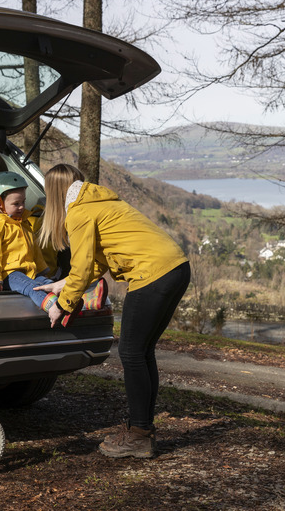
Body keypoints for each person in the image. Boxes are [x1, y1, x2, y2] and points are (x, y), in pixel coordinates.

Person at [34, 164, 190, 459]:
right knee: (142, 352)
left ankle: (139, 434)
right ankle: (140, 428)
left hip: (152, 274)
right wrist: (62, 286)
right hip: (175, 267)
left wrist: (63, 305)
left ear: (52, 193)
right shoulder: (98, 201)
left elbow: (81, 268)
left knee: (132, 353)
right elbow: (95, 264)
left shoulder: (79, 213)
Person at [0, 171, 107, 323]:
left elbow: (33, 249)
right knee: (32, 287)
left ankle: (84, 299)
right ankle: (55, 307)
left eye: (23, 202)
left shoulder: (23, 222)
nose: (21, 207)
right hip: (8, 274)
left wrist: (42, 269)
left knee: (48, 284)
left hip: (29, 270)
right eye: (16, 204)